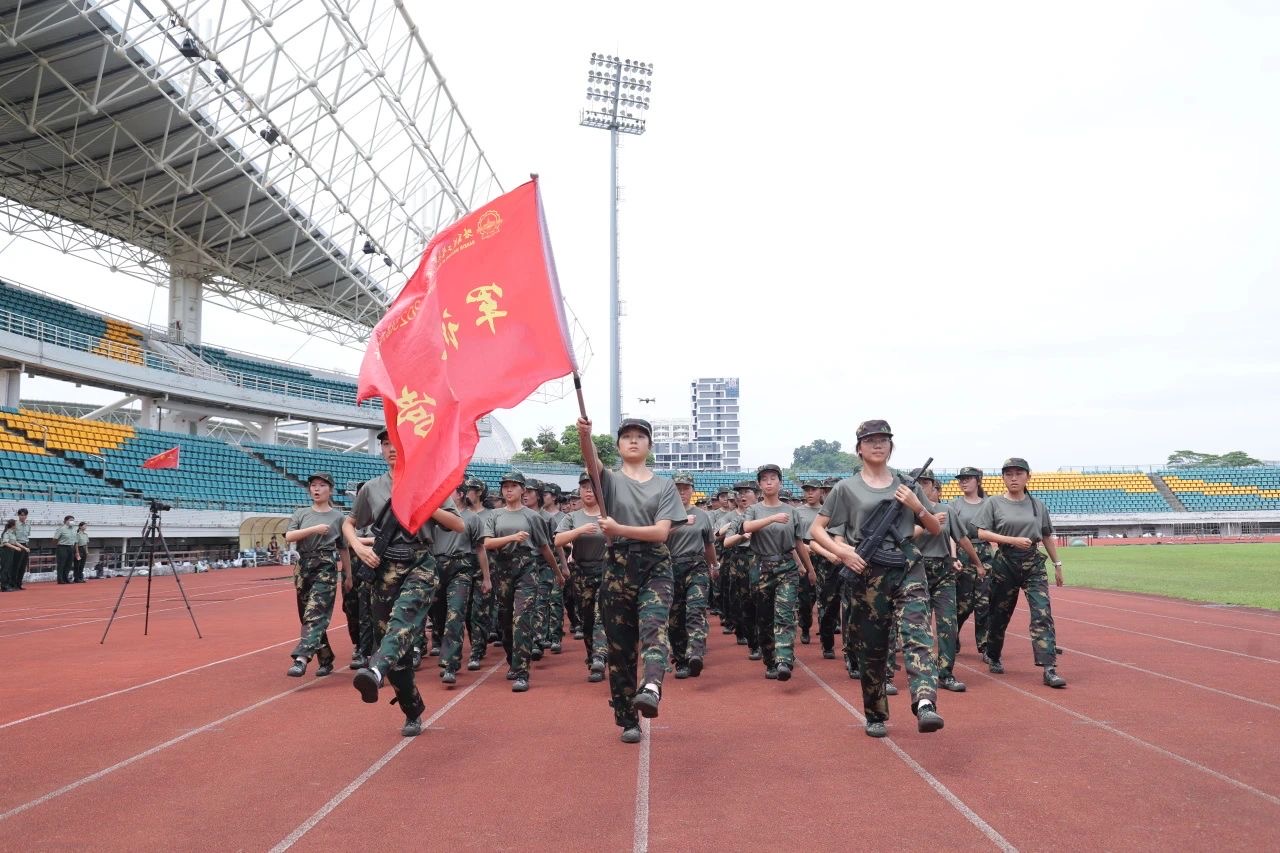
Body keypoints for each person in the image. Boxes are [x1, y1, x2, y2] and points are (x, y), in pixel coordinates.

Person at [809, 419, 945, 738]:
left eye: (884, 439)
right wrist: (842, 552)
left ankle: (925, 702)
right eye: (870, 440)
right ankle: (875, 712)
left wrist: (917, 507)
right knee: (872, 646)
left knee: (918, 633)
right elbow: (817, 529)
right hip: (867, 572)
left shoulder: (908, 485)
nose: (878, 444)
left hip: (908, 567)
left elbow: (936, 529)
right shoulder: (846, 488)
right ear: (859, 448)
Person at [347, 431, 466, 736]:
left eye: (397, 444)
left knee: (403, 621)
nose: (391, 449)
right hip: (383, 566)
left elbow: (457, 524)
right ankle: (412, 708)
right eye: (386, 444)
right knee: (393, 642)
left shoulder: (429, 484)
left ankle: (374, 668)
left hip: (419, 563)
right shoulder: (372, 489)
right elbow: (349, 523)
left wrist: (423, 504)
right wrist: (359, 547)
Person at [578, 416, 686, 745]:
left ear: (650, 446)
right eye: (627, 437)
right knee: (619, 646)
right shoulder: (608, 481)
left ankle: (651, 686)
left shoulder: (664, 486)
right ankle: (627, 717)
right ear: (619, 446)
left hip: (653, 563)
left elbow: (661, 532)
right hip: (617, 566)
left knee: (654, 627)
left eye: (641, 437)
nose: (634, 441)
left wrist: (618, 528)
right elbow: (590, 460)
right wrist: (586, 435)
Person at [974, 458, 1067, 688]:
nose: (1013, 478)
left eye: (1018, 473)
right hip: (1005, 562)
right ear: (1003, 478)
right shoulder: (994, 503)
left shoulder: (1037, 505)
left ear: (1028, 476)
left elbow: (1046, 535)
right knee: (999, 615)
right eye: (1008, 474)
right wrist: (1012, 540)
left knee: (1042, 613)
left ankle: (1049, 667)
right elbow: (982, 533)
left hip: (1033, 563)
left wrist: (1057, 564)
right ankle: (993, 654)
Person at [731, 464, 816, 681]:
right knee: (765, 617)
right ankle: (770, 660)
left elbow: (798, 542)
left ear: (780, 482)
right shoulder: (754, 509)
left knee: (785, 613)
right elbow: (746, 528)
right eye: (764, 479)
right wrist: (772, 518)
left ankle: (784, 659)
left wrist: (809, 568)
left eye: (773, 478)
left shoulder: (792, 512)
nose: (769, 482)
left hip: (786, 567)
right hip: (761, 567)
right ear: (759, 485)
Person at [483, 471, 563, 693]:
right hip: (502, 568)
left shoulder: (532, 517)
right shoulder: (494, 515)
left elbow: (544, 546)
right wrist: (511, 537)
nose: (508, 489)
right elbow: (487, 543)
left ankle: (521, 671)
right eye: (505, 486)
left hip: (526, 568)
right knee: (505, 620)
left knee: (522, 619)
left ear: (522, 490)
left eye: (513, 486)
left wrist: (557, 571)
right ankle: (512, 659)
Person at [285, 472, 350, 678]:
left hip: (325, 565)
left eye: (322, 485)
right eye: (313, 485)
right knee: (308, 615)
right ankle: (326, 657)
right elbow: (289, 536)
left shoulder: (339, 517)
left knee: (316, 613)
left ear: (330, 489)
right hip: (303, 566)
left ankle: (301, 658)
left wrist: (348, 574)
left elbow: (344, 549)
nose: (316, 489)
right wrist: (314, 529)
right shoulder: (301, 513)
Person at [910, 469, 965, 693]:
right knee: (917, 626)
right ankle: (920, 672)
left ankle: (946, 672)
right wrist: (926, 523)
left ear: (933, 485)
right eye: (918, 482)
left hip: (943, 570)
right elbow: (901, 539)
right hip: (915, 569)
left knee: (948, 624)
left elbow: (958, 537)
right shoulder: (905, 511)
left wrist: (972, 561)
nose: (923, 486)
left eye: (926, 482)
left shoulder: (946, 510)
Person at [431, 482, 491, 684]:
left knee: (455, 615)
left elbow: (480, 549)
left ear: (461, 494)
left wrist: (486, 577)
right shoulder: (435, 515)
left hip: (461, 567)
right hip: (435, 566)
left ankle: (450, 664)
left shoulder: (472, 519)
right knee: (437, 615)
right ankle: (439, 646)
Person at [555, 471, 610, 682]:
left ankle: (599, 656)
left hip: (605, 570)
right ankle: (593, 656)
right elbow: (558, 540)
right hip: (581, 573)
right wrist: (579, 531)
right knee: (586, 619)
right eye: (584, 487)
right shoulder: (572, 517)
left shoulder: (607, 515)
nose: (588, 490)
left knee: (599, 615)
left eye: (592, 486)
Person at [666, 473, 718, 679]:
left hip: (696, 566)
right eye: (678, 488)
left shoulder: (702, 516)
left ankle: (695, 653)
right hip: (670, 567)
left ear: (692, 490)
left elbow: (709, 545)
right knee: (674, 618)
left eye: (685, 488)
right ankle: (680, 660)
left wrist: (714, 565)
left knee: (695, 611)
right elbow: (657, 537)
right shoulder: (664, 514)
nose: (682, 492)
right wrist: (680, 523)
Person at [947, 466, 992, 659]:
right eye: (961, 479)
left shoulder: (990, 504)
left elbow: (995, 530)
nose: (963, 482)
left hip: (985, 553)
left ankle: (985, 646)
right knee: (963, 603)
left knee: (984, 603)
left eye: (968, 478)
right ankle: (953, 636)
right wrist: (953, 556)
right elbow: (951, 533)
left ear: (978, 480)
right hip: (962, 552)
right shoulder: (954, 505)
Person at [2, 519, 24, 591]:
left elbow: (14, 542)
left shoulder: (12, 533)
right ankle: (4, 586)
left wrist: (23, 548)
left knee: (9, 568)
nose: (17, 525)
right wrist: (15, 547)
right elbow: (5, 543)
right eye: (16, 524)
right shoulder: (7, 533)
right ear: (12, 525)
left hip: (10, 551)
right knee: (5, 568)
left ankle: (7, 584)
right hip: (6, 550)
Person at [54, 515, 77, 584]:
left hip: (71, 547)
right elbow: (55, 539)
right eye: (70, 520)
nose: (72, 522)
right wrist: (59, 545)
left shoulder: (74, 529)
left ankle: (66, 578)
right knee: (61, 563)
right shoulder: (61, 529)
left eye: (73, 520)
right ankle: (60, 579)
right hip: (62, 547)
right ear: (65, 521)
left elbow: (75, 539)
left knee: (69, 564)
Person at [12, 508, 31, 590]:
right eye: (21, 515)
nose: (23, 517)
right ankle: (13, 584)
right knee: (16, 566)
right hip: (17, 545)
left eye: (25, 515)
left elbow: (27, 536)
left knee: (23, 566)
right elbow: (12, 537)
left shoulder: (28, 525)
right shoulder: (15, 524)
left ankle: (19, 584)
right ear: (18, 515)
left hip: (25, 545)